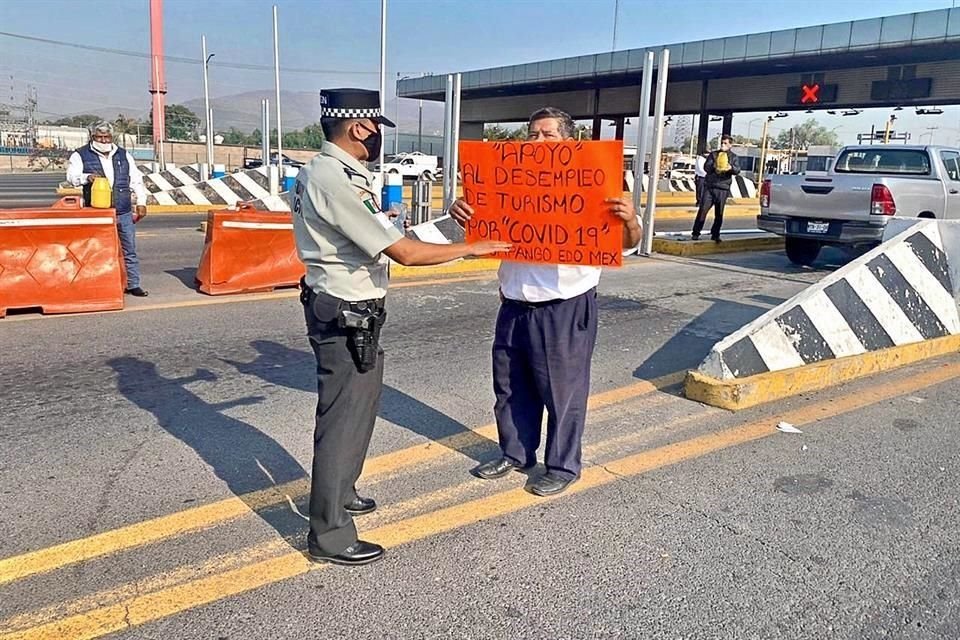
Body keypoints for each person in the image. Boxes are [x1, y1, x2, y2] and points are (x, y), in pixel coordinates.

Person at [292, 88, 510, 567]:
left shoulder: (328, 171)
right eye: (375, 131)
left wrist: (425, 226)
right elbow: (405, 254)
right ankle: (328, 533)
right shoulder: (334, 179)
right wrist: (472, 247)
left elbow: (377, 236)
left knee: (360, 408)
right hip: (345, 311)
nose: (378, 141)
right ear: (359, 128)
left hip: (352, 307)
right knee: (342, 419)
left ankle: (342, 490)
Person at [448, 107, 643, 498]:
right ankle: (517, 453)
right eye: (532, 135)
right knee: (510, 387)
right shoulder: (511, 180)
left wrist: (631, 220)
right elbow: (483, 227)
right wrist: (463, 213)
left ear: (569, 142)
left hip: (564, 306)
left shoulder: (593, 183)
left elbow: (626, 243)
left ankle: (563, 465)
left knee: (563, 391)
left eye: (547, 135)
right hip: (515, 304)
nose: (537, 143)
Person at [66, 121, 149, 296]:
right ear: (92, 136)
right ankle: (95, 285)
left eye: (107, 137)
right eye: (99, 136)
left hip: (123, 210)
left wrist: (141, 202)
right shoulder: (80, 154)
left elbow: (135, 179)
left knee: (129, 249)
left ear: (112, 137)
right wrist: (87, 177)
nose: (103, 140)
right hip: (97, 213)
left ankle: (133, 284)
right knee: (94, 250)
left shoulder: (123, 155)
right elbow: (71, 177)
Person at [691, 134, 740, 243]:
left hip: (723, 188)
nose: (723, 145)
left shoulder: (733, 157)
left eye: (726, 143)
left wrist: (730, 168)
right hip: (710, 187)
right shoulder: (713, 155)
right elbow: (706, 167)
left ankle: (715, 234)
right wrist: (715, 165)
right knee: (703, 210)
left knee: (719, 213)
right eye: (722, 143)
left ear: (730, 145)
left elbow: (737, 170)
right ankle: (695, 232)